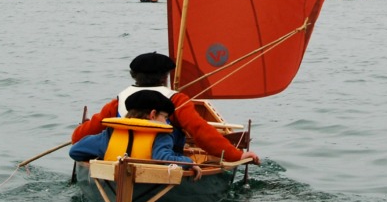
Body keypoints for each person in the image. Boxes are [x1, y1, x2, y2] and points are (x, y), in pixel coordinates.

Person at [71, 52, 260, 165]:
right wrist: (236, 155)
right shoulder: (176, 100)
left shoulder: (118, 101)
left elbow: (78, 139)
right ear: (165, 77)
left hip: (120, 163)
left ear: (134, 76)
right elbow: (200, 131)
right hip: (164, 162)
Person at [69, 90, 203, 179]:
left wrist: (101, 156)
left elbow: (75, 152)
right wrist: (189, 162)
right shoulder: (162, 135)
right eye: (165, 117)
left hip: (113, 184)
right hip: (147, 185)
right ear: (153, 114)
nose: (167, 121)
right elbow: (163, 159)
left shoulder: (112, 132)